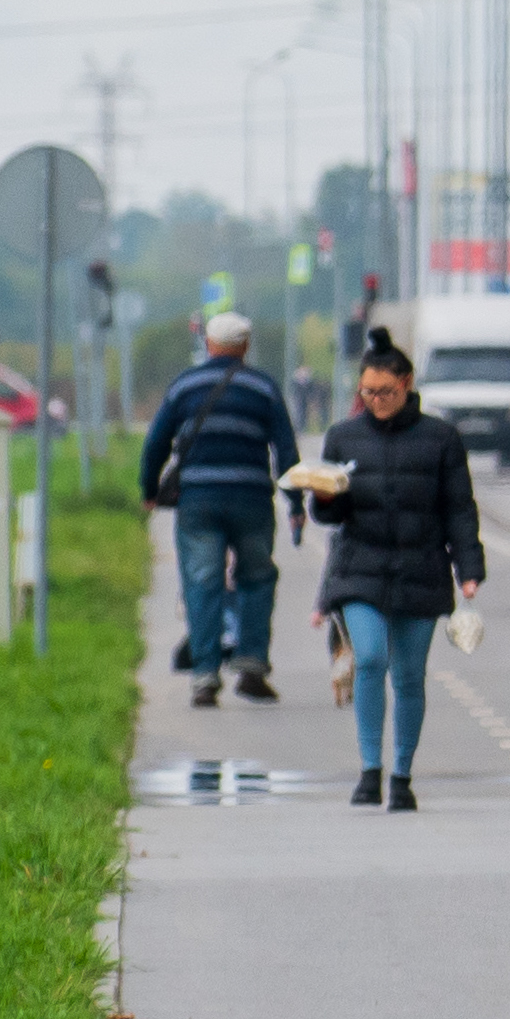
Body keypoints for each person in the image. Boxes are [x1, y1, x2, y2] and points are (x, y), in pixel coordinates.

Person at [309, 333, 481, 812]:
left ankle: (401, 774)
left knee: (408, 676)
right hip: (359, 568)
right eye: (368, 393)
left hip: (421, 568)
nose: (376, 402)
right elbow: (329, 513)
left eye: (385, 392)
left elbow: (459, 509)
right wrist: (323, 498)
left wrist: (469, 568)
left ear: (406, 384)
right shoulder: (343, 436)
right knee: (369, 659)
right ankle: (369, 770)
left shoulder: (441, 439)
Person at [141, 309, 301, 709]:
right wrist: (296, 501)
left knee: (202, 582)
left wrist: (149, 490)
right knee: (257, 577)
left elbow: (156, 443)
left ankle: (205, 675)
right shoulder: (263, 388)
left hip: (198, 501)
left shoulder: (185, 385)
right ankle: (250, 665)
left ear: (209, 344)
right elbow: (286, 448)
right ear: (245, 347)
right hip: (251, 499)